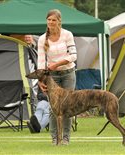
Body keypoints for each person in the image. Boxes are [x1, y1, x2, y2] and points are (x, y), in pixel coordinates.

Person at [37, 9, 77, 145]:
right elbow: (41, 62)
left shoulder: (67, 35)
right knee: (53, 108)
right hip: (52, 77)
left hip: (68, 74)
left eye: (53, 20)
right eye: (49, 20)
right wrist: (40, 81)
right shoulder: (42, 39)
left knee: (67, 107)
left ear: (59, 21)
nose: (51, 22)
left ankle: (65, 138)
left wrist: (56, 64)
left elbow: (73, 56)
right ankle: (55, 138)